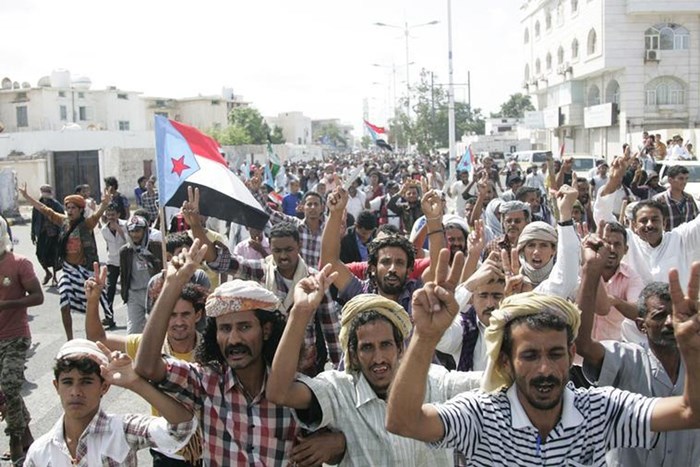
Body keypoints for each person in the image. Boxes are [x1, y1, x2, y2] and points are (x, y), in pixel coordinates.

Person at [386, 247, 700, 465]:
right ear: (506, 361)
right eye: (530, 356)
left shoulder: (600, 409)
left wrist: (692, 351)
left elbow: (689, 412)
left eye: (555, 353)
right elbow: (403, 421)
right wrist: (426, 337)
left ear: (572, 354)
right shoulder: (481, 415)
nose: (545, 369)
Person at [134, 241, 346, 466]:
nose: (234, 339)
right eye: (225, 329)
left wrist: (337, 442)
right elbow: (146, 366)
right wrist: (172, 284)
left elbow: (346, 439)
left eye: (244, 327)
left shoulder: (295, 392)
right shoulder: (206, 382)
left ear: (265, 330)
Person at [267, 249, 481, 466]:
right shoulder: (340, 391)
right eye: (367, 347)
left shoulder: (436, 382)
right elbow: (280, 392)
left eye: (385, 345)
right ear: (353, 354)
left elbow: (494, 383)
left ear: (400, 348)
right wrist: (301, 311)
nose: (378, 358)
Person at [575, 246, 700, 466]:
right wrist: (591, 272)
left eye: (675, 315)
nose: (670, 323)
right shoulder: (627, 359)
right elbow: (584, 345)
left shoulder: (695, 361)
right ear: (642, 326)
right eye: (660, 316)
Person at [84, 263, 206, 467]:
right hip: (167, 449)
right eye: (171, 315)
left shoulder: (210, 350)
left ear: (198, 315)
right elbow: (98, 338)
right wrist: (93, 301)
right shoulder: (146, 349)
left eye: (185, 314)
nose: (178, 322)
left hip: (208, 448)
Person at [24, 339, 197, 467]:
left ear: (104, 387)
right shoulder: (40, 452)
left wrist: (136, 383)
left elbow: (181, 428)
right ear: (56, 386)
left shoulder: (122, 430)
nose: (76, 391)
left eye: (86, 382)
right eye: (68, 382)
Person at [19, 182, 112, 340]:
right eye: (67, 208)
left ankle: (95, 337)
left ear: (80, 210)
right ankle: (70, 339)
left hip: (84, 272)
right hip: (68, 271)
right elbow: (44, 210)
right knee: (64, 305)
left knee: (92, 307)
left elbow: (96, 216)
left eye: (73, 208)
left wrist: (104, 204)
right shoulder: (63, 221)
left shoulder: (86, 224)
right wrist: (28, 197)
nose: (69, 211)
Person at [594, 155, 700, 287]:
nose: (649, 225)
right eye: (643, 221)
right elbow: (603, 218)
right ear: (634, 225)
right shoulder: (627, 241)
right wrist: (613, 181)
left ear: (664, 223)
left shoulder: (680, 239)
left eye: (655, 220)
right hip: (634, 307)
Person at [322, 187, 421, 314]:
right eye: (385, 262)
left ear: (409, 270)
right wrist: (335, 213)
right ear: (373, 267)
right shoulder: (360, 293)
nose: (392, 269)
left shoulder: (417, 296)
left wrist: (433, 220)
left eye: (400, 262)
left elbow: (438, 269)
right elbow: (330, 262)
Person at [0, 218, 43, 465]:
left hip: (15, 336)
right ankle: (27, 436)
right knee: (6, 393)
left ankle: (15, 439)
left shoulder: (19, 263)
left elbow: (37, 296)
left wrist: (8, 304)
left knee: (10, 386)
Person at [119, 215, 163, 334]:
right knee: (133, 331)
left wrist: (150, 258)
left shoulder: (156, 247)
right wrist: (125, 295)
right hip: (134, 294)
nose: (135, 235)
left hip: (154, 293)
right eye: (131, 231)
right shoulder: (125, 251)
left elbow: (162, 269)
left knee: (156, 330)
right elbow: (123, 275)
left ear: (145, 231)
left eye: (138, 231)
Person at [100, 203, 127, 329]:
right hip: (112, 262)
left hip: (125, 261)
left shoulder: (125, 225)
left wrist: (119, 229)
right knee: (109, 290)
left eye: (113, 215)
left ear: (118, 215)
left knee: (128, 289)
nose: (110, 217)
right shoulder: (104, 230)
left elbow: (129, 241)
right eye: (108, 214)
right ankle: (109, 317)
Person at [30, 185, 63, 287]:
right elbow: (34, 219)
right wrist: (32, 233)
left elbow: (62, 220)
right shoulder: (37, 205)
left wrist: (62, 234)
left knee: (54, 255)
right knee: (39, 254)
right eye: (43, 191)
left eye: (47, 191)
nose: (45, 193)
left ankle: (54, 277)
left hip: (53, 234)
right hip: (42, 233)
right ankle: (47, 272)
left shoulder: (56, 205)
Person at [652, 165, 699, 230]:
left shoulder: (689, 199)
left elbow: (696, 221)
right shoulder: (659, 200)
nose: (684, 182)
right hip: (667, 239)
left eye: (686, 179)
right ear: (670, 180)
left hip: (687, 239)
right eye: (681, 179)